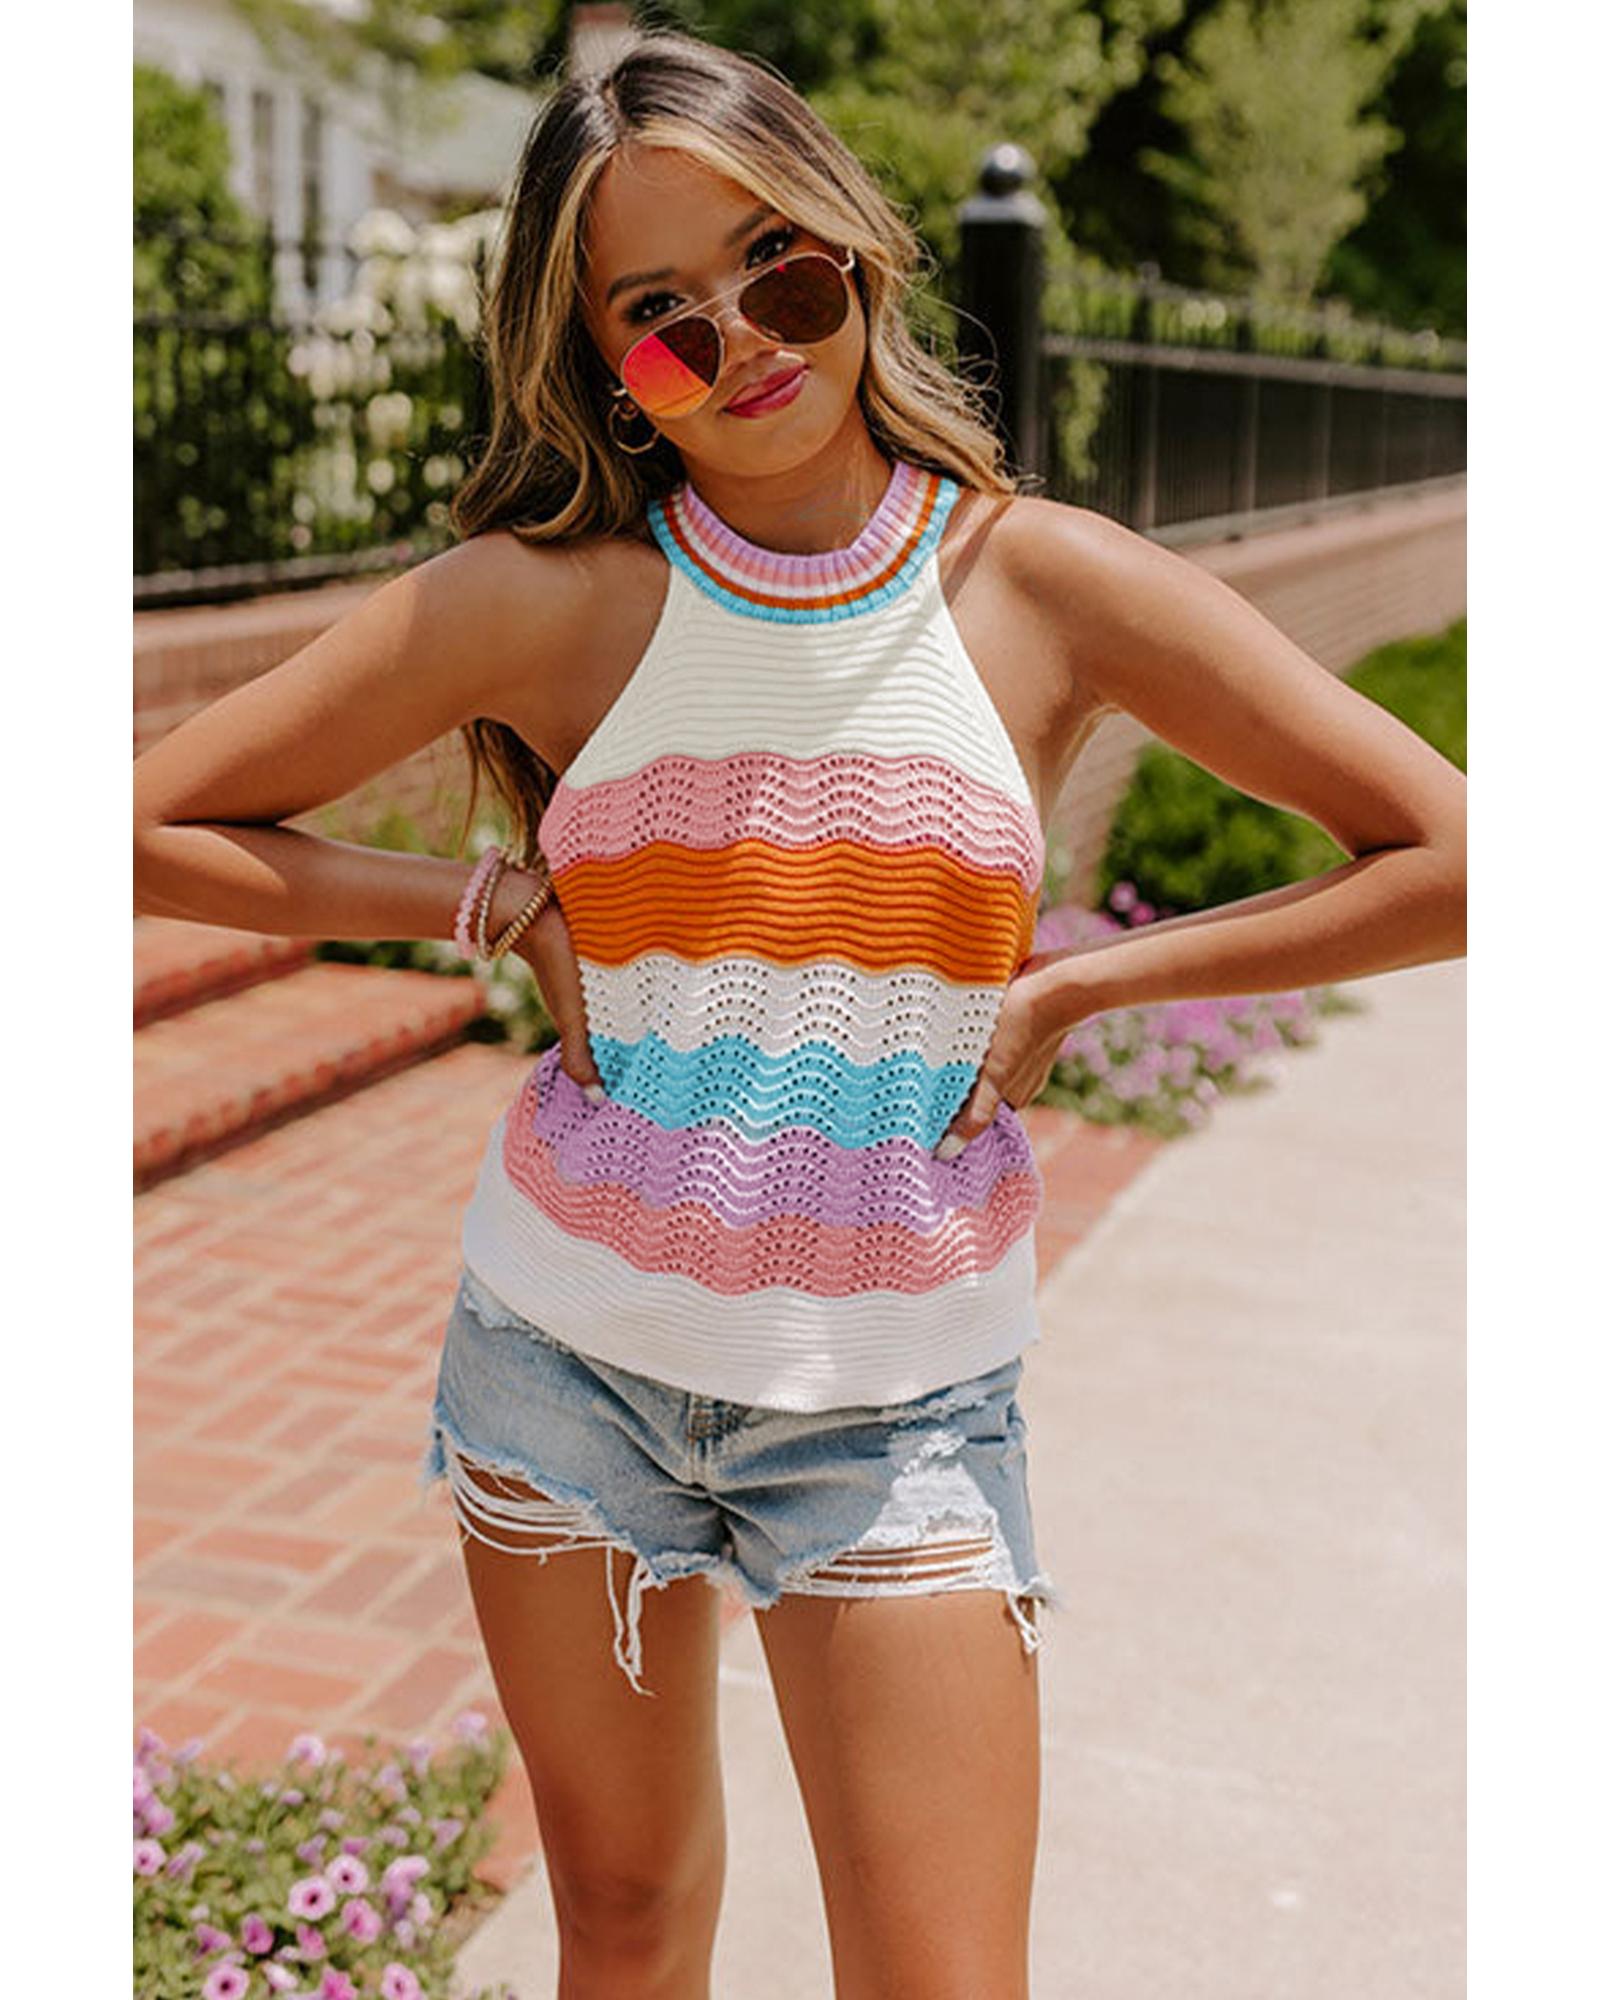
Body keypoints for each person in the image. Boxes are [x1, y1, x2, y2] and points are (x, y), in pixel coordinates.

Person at [132, 26, 1467, 1999]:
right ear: (605, 366)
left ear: (856, 246)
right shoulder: (548, 601)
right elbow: (143, 825)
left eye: (779, 267)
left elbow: (1451, 855)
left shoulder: (1041, 586)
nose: (742, 339)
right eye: (660, 315)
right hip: (566, 1368)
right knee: (624, 1927)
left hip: (897, 1405)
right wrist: (491, 908)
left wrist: (1086, 981)